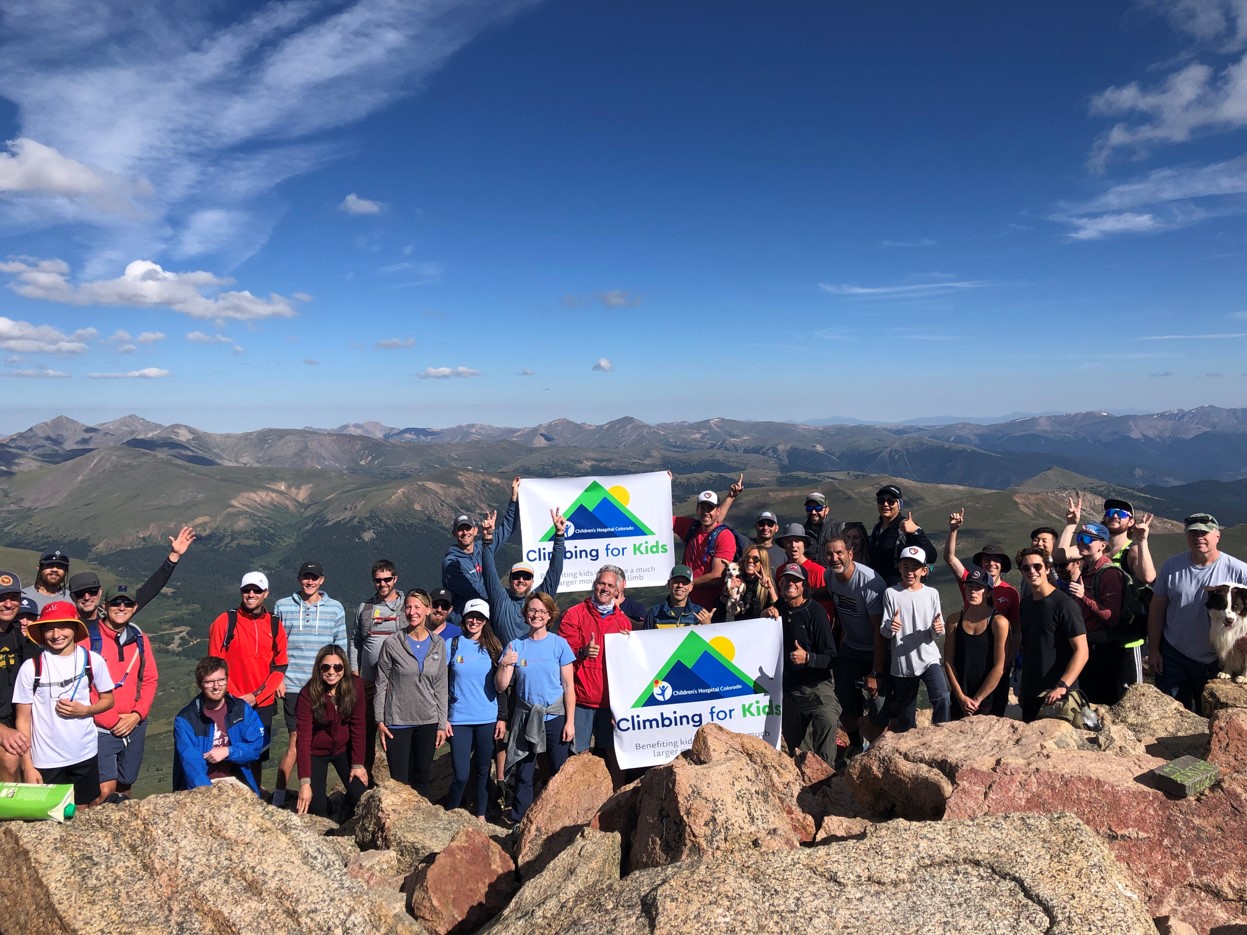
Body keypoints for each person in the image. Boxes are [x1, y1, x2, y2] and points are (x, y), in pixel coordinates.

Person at [13, 601, 115, 805]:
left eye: (62, 626)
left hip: (85, 752)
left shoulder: (92, 661)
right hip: (45, 759)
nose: (56, 634)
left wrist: (84, 710)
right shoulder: (31, 668)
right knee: (49, 816)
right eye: (49, 628)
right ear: (41, 633)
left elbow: (108, 700)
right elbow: (23, 720)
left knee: (84, 808)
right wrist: (28, 765)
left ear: (75, 628)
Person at [1148, 513, 1247, 711]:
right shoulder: (1171, 567)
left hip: (1220, 659)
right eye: (1193, 533)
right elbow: (1157, 608)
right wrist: (1154, 650)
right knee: (1170, 714)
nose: (1198, 537)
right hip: (1174, 655)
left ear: (1217, 536)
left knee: (1210, 719)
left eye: (1204, 532)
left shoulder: (1239, 570)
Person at [272, 561, 347, 808]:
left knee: (325, 739)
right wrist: (277, 678)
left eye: (314, 577)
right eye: (306, 577)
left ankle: (319, 798)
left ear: (322, 580)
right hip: (294, 685)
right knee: (296, 740)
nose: (310, 581)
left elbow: (341, 647)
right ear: (299, 578)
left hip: (326, 685)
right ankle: (279, 797)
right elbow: (274, 646)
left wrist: (341, 681)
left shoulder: (335, 609)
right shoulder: (282, 606)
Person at [496, 592, 576, 823]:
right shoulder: (515, 646)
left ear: (550, 615)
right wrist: (504, 663)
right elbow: (501, 686)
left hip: (554, 717)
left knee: (558, 769)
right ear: (525, 613)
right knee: (525, 772)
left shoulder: (559, 644)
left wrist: (570, 722)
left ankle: (560, 817)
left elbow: (568, 687)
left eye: (542, 611)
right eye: (532, 610)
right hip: (526, 717)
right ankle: (520, 818)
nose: (536, 615)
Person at [207, 572, 288, 790]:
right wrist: (233, 695)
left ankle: (253, 801)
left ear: (266, 594)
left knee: (256, 757)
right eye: (246, 590)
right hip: (229, 703)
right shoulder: (225, 622)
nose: (251, 594)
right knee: (225, 756)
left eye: (257, 590)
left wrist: (256, 696)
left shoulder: (274, 624)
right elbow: (214, 665)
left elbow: (280, 666)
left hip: (262, 704)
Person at [86, 584, 162, 805]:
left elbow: (149, 679)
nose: (121, 607)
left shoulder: (139, 637)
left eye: (127, 603)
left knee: (126, 784)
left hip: (134, 724)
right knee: (104, 790)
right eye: (116, 603)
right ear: (104, 607)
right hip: (101, 726)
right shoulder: (89, 639)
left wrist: (137, 715)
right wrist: (111, 721)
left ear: (134, 607)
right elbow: (84, 687)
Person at [813, 535, 885, 755]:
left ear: (850, 553)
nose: (834, 558)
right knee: (843, 700)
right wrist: (804, 595)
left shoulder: (870, 583)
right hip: (850, 648)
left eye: (839, 553)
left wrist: (875, 672)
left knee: (878, 706)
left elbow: (879, 632)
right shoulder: (830, 576)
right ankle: (855, 745)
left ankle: (878, 751)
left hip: (874, 650)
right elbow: (831, 593)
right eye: (829, 554)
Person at [374, 589, 447, 798]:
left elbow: (441, 686)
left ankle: (420, 827)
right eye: (408, 607)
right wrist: (380, 720)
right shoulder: (393, 643)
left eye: (417, 607)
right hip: (398, 720)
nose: (412, 612)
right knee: (399, 781)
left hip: (428, 720)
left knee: (422, 777)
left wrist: (442, 723)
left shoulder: (437, 644)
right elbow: (381, 683)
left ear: (427, 610)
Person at [944, 512, 1019, 716]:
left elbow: (1016, 629)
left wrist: (1009, 659)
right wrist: (953, 530)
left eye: (996, 560)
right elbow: (949, 558)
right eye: (987, 559)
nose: (973, 591)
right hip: (966, 676)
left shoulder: (1011, 593)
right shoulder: (957, 614)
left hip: (995, 668)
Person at [770, 563, 840, 765]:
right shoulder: (778, 609)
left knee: (827, 719)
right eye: (787, 580)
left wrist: (808, 658)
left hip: (816, 686)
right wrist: (764, 616)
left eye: (796, 580)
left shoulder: (815, 612)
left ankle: (828, 774)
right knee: (798, 752)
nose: (791, 584)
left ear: (804, 585)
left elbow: (831, 657)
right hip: (789, 691)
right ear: (781, 584)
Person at [445, 599, 507, 818]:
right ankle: (449, 813)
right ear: (464, 618)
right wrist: (443, 717)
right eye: (471, 616)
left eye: (479, 618)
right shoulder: (451, 645)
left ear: (485, 621)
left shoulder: (493, 647)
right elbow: (441, 682)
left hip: (487, 717)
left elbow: (500, 686)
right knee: (461, 774)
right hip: (458, 718)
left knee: (482, 771)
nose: (474, 621)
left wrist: (502, 717)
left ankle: (480, 813)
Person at [560, 565, 631, 755]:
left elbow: (628, 666)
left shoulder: (624, 622)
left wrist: (628, 645)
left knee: (612, 753)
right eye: (601, 583)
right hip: (581, 699)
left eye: (610, 585)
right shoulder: (574, 614)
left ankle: (615, 786)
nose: (605, 588)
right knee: (578, 754)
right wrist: (582, 651)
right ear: (594, 584)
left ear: (617, 590)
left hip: (610, 702)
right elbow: (563, 654)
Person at [881, 545, 950, 731]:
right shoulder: (891, 593)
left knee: (942, 696)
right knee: (906, 711)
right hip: (903, 662)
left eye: (915, 567)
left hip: (929, 657)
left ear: (924, 570)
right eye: (905, 566)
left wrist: (937, 629)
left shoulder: (932, 594)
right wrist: (891, 626)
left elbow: (938, 629)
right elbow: (884, 630)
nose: (910, 571)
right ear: (899, 567)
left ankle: (941, 734)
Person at [173, 656, 265, 795]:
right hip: (202, 785)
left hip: (236, 780)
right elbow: (192, 766)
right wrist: (209, 796)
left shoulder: (241, 709)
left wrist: (228, 751)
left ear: (227, 680)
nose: (216, 686)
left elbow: (256, 746)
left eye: (221, 680)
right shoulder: (186, 720)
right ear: (199, 684)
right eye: (209, 682)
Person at [1016, 546, 1088, 723]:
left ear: (1047, 568)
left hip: (1059, 696)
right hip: (1032, 693)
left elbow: (1082, 651)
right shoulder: (1025, 605)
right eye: (1026, 568)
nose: (1032, 571)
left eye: (1037, 566)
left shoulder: (1065, 605)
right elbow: (1029, 647)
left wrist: (1062, 686)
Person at [295, 644, 367, 820]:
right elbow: (303, 739)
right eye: (326, 667)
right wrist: (304, 782)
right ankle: (328, 804)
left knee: (361, 797)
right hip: (316, 752)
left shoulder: (355, 686)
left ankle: (346, 807)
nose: (331, 671)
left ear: (345, 668)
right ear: (319, 668)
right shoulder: (308, 694)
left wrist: (357, 764)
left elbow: (359, 725)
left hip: (344, 750)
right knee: (317, 807)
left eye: (338, 666)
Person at [481, 507, 566, 645]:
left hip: (536, 663)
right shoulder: (500, 598)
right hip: (505, 663)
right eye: (517, 576)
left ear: (532, 581)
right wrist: (487, 539)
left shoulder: (540, 598)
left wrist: (560, 534)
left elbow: (555, 570)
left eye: (526, 577)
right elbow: (488, 570)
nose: (521, 580)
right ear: (509, 580)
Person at [352, 558, 405, 777]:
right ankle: (363, 779)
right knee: (365, 732)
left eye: (387, 579)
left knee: (394, 733)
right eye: (378, 580)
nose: (382, 584)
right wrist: (354, 673)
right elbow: (356, 641)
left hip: (397, 685)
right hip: (368, 682)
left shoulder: (406, 606)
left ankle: (398, 781)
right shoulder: (365, 608)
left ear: (395, 579)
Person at [442, 477, 521, 615]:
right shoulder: (451, 563)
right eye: (461, 529)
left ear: (475, 530)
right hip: (466, 621)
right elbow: (477, 590)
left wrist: (514, 498)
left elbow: (506, 529)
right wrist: (508, 597)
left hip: (489, 616)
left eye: (468, 528)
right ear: (454, 533)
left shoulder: (482, 547)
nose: (465, 532)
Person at [1068, 522, 1126, 705]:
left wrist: (1082, 596)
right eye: (1079, 538)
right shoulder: (1086, 569)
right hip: (1087, 644)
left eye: (1087, 539)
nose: (1081, 542)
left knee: (1099, 702)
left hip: (1102, 649)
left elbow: (1111, 617)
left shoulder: (1108, 573)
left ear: (1103, 544)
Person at [943, 569, 1009, 719]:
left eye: (978, 587)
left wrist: (977, 700)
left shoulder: (999, 622)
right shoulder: (954, 621)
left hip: (990, 697)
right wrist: (960, 696)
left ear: (989, 592)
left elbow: (1000, 666)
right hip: (961, 696)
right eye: (970, 587)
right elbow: (948, 660)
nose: (973, 591)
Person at [671, 475, 744, 609]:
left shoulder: (724, 536)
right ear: (697, 510)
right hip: (685, 603)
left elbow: (717, 576)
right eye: (702, 508)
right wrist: (663, 485)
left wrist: (686, 583)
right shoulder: (691, 527)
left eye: (710, 509)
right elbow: (662, 518)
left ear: (717, 511)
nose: (706, 512)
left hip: (711, 606)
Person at [0, 571, 35, 782]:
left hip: (14, 717)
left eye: (13, 597)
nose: (8, 604)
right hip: (3, 724)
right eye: (1, 598)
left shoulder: (15, 634)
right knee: (10, 758)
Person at [867, 485, 936, 587]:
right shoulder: (877, 528)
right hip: (876, 588)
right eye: (881, 501)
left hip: (898, 590)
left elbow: (931, 556)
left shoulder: (905, 527)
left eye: (891, 501)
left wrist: (916, 531)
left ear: (899, 505)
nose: (885, 504)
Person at [712, 546, 777, 623]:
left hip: (759, 629)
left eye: (755, 559)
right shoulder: (736, 580)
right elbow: (719, 615)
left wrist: (770, 589)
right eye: (747, 557)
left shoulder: (767, 583)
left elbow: (777, 610)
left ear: (762, 563)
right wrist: (726, 592)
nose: (750, 561)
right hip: (739, 629)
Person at [644, 565, 713, 629]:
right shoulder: (654, 613)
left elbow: (709, 640)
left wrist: (707, 626)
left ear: (691, 586)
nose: (680, 585)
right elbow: (646, 640)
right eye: (676, 582)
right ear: (669, 584)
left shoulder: (701, 613)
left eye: (685, 582)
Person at [803, 492, 844, 566]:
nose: (813, 512)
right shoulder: (802, 533)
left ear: (827, 510)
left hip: (834, 574)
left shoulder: (839, 528)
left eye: (818, 508)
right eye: (809, 508)